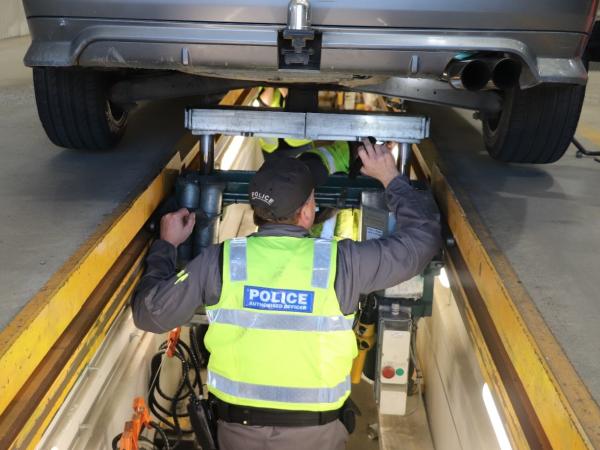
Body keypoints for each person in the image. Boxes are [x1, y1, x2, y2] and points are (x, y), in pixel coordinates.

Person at [131, 139, 441, 450]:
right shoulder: (342, 263)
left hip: (238, 435)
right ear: (307, 212)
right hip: (315, 437)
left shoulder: (222, 261)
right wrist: (390, 178)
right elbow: (421, 241)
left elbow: (150, 314)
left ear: (257, 211)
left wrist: (166, 246)